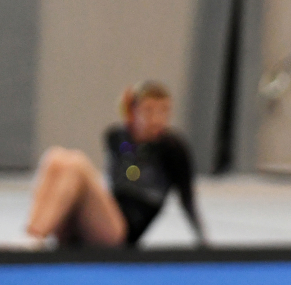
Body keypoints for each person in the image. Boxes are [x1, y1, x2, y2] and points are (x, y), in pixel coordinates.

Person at [26, 80, 206, 247]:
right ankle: (31, 235)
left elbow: (187, 199)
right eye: (148, 110)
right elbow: (129, 171)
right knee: (55, 157)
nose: (157, 119)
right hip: (93, 222)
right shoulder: (118, 138)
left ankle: (35, 237)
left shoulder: (173, 148)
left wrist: (202, 241)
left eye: (163, 111)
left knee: (77, 164)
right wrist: (134, 131)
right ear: (132, 112)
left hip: (119, 235)